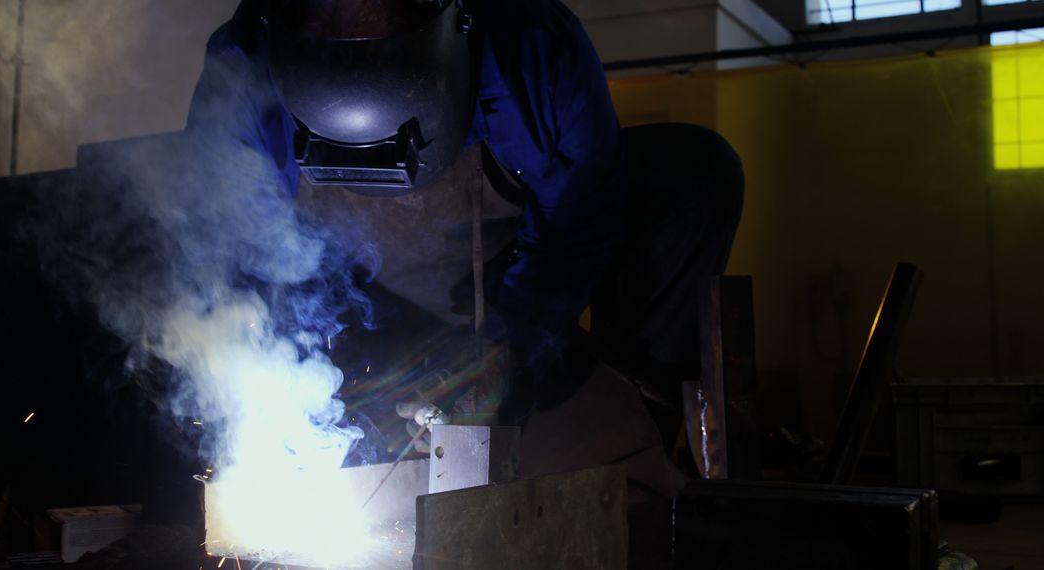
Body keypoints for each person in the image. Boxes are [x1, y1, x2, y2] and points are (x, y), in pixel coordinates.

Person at [187, 0, 743, 478]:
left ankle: (635, 450)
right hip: (363, 308)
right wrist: (277, 390)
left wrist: (504, 348)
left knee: (696, 175)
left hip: (507, 282)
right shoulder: (243, 67)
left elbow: (578, 225)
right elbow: (232, 257)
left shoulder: (532, 47)